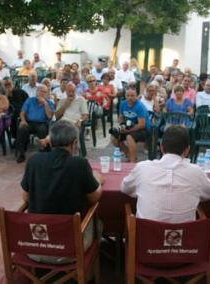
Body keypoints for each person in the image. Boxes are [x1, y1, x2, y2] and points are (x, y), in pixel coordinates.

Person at [21, 120, 104, 263]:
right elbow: (94, 198)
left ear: (50, 141)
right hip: (69, 250)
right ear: (75, 142)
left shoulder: (34, 161)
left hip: (35, 245)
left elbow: (26, 197)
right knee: (99, 223)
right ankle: (88, 273)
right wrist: (97, 180)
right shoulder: (79, 164)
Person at [121, 125, 210, 223]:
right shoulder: (197, 172)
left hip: (146, 236)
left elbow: (125, 188)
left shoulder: (142, 168)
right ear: (187, 150)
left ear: (162, 147)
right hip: (184, 237)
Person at [16, 85, 55, 163]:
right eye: (40, 91)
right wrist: (23, 120)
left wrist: (45, 104)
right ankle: (21, 153)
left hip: (42, 123)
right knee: (22, 129)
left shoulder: (49, 103)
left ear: (47, 93)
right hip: (29, 122)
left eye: (44, 92)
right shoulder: (30, 100)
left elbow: (49, 116)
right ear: (37, 92)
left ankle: (44, 150)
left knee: (42, 129)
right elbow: (22, 113)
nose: (42, 93)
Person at [111, 89, 150, 163]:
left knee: (129, 136)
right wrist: (121, 126)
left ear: (136, 96)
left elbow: (141, 124)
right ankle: (129, 155)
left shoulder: (139, 106)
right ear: (125, 96)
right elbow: (121, 117)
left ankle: (132, 162)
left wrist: (128, 130)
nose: (130, 98)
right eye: (128, 96)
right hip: (129, 127)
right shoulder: (123, 104)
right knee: (114, 136)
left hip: (143, 129)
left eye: (132, 96)